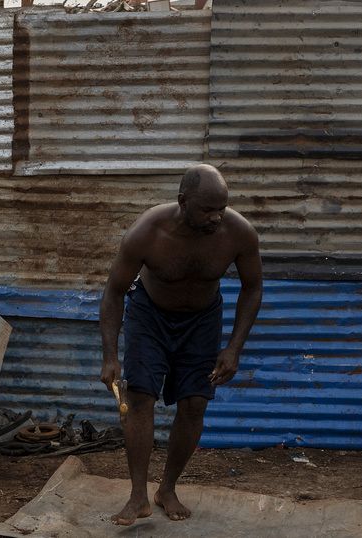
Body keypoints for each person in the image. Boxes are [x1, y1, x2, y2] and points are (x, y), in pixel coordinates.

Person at [99, 164, 263, 524]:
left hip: (202, 320)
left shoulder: (239, 234)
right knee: (140, 396)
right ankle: (139, 496)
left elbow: (253, 288)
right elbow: (113, 293)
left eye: (221, 207)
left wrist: (234, 347)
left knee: (194, 404)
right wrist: (110, 356)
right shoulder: (147, 233)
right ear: (183, 201)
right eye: (207, 209)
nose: (216, 217)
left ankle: (167, 489)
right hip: (149, 314)